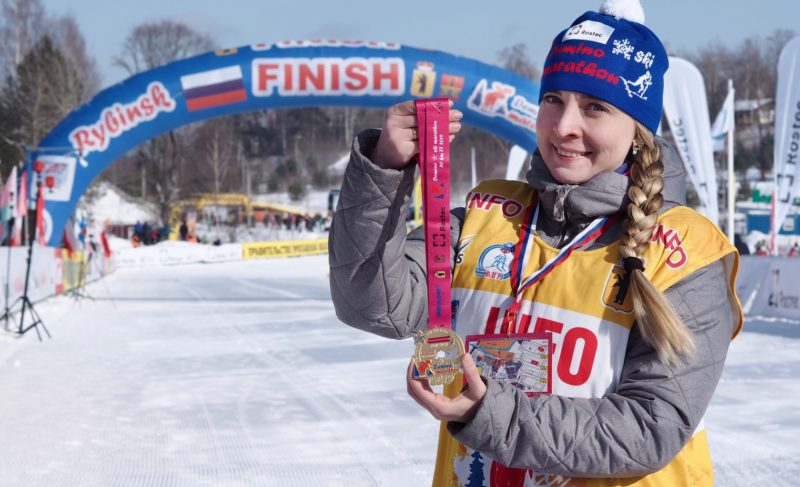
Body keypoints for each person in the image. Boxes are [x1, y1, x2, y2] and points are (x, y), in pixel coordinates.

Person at [328, 1, 742, 485]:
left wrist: (489, 411)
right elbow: (370, 304)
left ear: (637, 131)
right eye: (553, 99)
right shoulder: (485, 218)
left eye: (595, 107)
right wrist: (383, 169)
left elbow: (649, 429)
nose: (564, 125)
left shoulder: (685, 253)